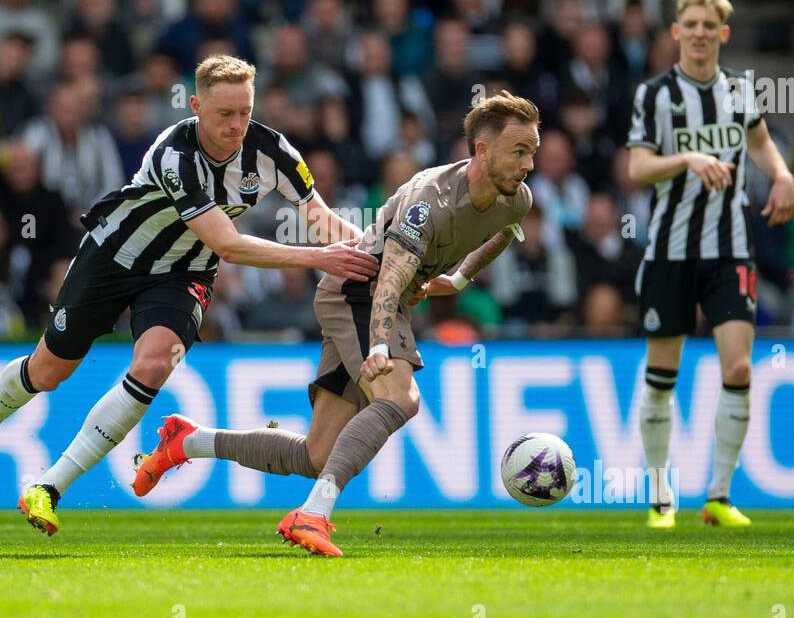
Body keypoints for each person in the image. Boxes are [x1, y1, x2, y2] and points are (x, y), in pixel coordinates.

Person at [0, 55, 377, 534]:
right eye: (224, 114)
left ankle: (48, 487)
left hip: (184, 271)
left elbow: (318, 217)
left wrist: (370, 253)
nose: (236, 126)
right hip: (114, 256)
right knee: (47, 372)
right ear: (195, 105)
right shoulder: (176, 154)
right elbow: (227, 244)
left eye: (245, 113)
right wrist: (320, 259)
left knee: (153, 365)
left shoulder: (272, 151)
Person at [133, 92, 540, 557]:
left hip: (369, 298)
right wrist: (381, 344)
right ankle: (314, 514)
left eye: (532, 150)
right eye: (519, 151)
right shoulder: (432, 199)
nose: (528, 164)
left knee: (318, 454)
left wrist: (460, 278)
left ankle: (189, 442)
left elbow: (504, 230)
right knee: (400, 398)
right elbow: (388, 279)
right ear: (482, 150)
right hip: (360, 290)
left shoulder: (517, 199)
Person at [626, 0, 794, 531]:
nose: (699, 33)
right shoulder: (654, 95)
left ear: (722, 34)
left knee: (741, 366)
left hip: (730, 249)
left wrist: (784, 175)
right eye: (690, 24)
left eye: (709, 25)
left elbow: (760, 142)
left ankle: (719, 496)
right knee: (662, 374)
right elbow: (637, 168)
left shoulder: (740, 91)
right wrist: (688, 158)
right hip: (671, 251)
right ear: (676, 32)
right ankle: (659, 498)